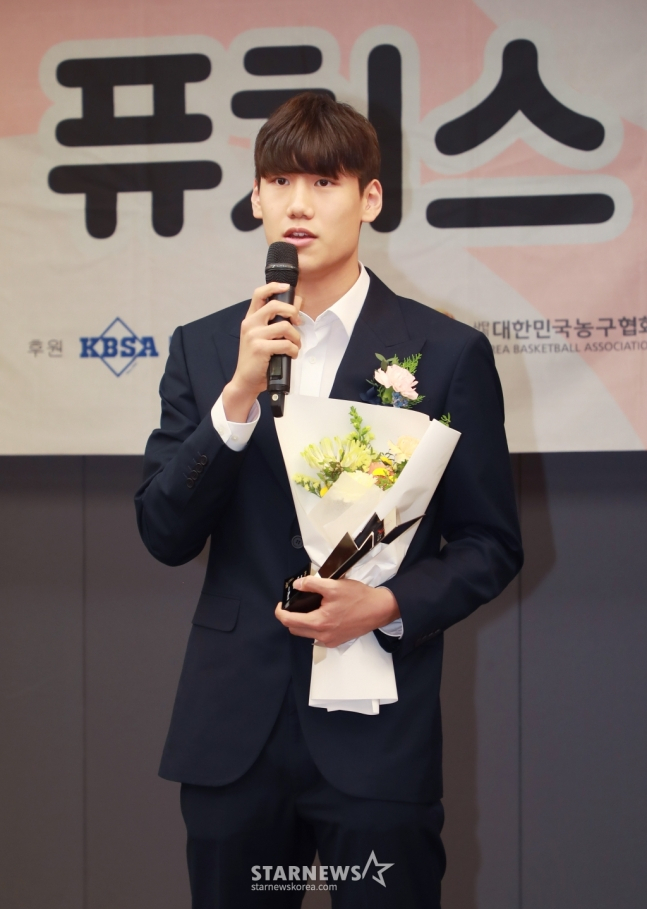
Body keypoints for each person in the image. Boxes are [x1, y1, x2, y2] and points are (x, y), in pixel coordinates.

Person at [135, 92, 523, 909]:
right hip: (232, 731)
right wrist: (236, 400)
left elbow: (489, 542)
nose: (298, 205)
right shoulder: (205, 348)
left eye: (323, 182)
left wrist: (387, 603)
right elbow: (163, 531)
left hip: (375, 735)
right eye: (279, 182)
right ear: (255, 198)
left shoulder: (445, 353)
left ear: (369, 197)